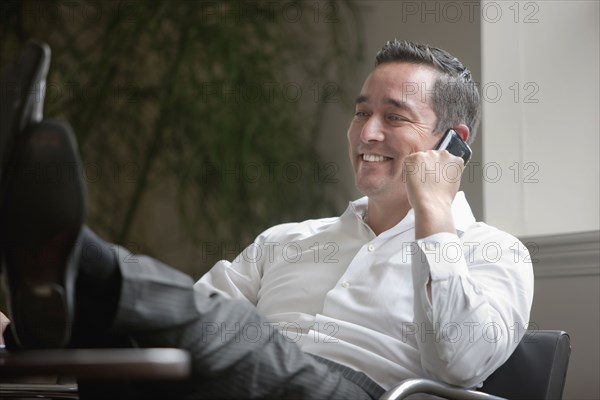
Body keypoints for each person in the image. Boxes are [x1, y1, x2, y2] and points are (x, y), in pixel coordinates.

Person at [0, 39, 533, 399]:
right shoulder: (289, 240)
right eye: (360, 111)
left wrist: (433, 212)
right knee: (147, 348)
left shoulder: (494, 251)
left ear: (453, 143)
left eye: (394, 116)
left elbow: (460, 364)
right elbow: (177, 320)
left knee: (235, 333)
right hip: (239, 375)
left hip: (364, 392)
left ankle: (66, 250)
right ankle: (45, 306)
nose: (367, 132)